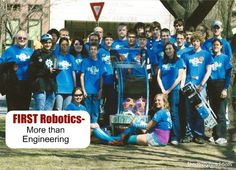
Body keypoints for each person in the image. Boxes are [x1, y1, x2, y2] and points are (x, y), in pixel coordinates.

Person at [181, 33, 213, 144]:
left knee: (200, 111)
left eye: (197, 41)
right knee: (188, 111)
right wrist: (182, 85)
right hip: (189, 87)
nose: (195, 43)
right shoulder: (186, 55)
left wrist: (202, 84)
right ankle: (188, 134)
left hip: (201, 87)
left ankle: (199, 135)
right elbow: (184, 71)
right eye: (193, 41)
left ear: (200, 42)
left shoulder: (207, 54)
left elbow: (209, 71)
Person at [157, 43, 185, 145]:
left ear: (174, 50)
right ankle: (165, 136)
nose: (168, 50)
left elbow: (180, 77)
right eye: (166, 49)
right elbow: (158, 76)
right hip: (163, 91)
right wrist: (163, 89)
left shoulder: (179, 61)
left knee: (174, 113)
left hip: (174, 91)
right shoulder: (162, 61)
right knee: (164, 113)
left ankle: (175, 137)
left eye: (170, 48)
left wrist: (169, 90)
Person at [0, 30, 33, 111]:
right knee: (12, 110)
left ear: (27, 39)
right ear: (16, 39)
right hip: (12, 84)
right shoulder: (9, 51)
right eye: (20, 38)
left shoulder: (31, 52)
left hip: (26, 84)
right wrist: (10, 65)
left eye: (24, 38)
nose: (22, 39)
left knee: (24, 110)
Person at [207, 39, 232, 145]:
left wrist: (225, 89)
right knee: (213, 112)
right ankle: (215, 134)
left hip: (221, 85)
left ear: (221, 46)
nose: (215, 46)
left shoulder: (225, 58)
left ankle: (222, 136)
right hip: (211, 86)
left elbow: (228, 75)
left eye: (217, 45)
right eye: (214, 45)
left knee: (221, 112)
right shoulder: (210, 58)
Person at [28, 34, 57, 110]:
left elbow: (55, 68)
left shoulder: (53, 54)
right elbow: (32, 70)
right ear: (42, 43)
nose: (48, 44)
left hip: (51, 86)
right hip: (40, 86)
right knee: (40, 110)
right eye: (45, 42)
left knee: (48, 112)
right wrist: (46, 71)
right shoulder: (37, 54)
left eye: (49, 42)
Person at [80, 43, 104, 123]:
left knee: (96, 111)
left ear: (97, 51)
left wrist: (100, 89)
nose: (93, 51)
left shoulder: (100, 62)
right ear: (89, 51)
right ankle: (87, 127)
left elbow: (101, 77)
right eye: (91, 49)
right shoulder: (85, 61)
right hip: (87, 90)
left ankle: (94, 129)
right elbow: (82, 76)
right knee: (87, 111)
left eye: (95, 49)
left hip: (96, 91)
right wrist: (83, 90)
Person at [97, 33, 116, 127]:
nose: (108, 41)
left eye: (110, 40)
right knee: (100, 103)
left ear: (113, 41)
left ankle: (107, 124)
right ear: (104, 41)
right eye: (107, 39)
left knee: (110, 104)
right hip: (102, 81)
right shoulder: (100, 51)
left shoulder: (114, 52)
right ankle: (98, 123)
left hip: (112, 82)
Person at [55, 37, 76, 110]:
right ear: (59, 45)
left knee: (67, 110)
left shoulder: (71, 57)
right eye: (63, 44)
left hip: (69, 87)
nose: (64, 46)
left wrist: (75, 86)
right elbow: (54, 72)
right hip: (59, 87)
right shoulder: (56, 57)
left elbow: (73, 72)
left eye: (66, 44)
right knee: (58, 109)